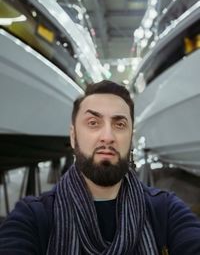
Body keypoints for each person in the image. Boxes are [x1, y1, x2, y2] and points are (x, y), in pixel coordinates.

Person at [0, 80, 200, 255]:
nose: (108, 136)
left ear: (131, 138)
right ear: (73, 136)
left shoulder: (166, 211)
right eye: (93, 122)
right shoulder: (34, 217)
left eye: (119, 125)